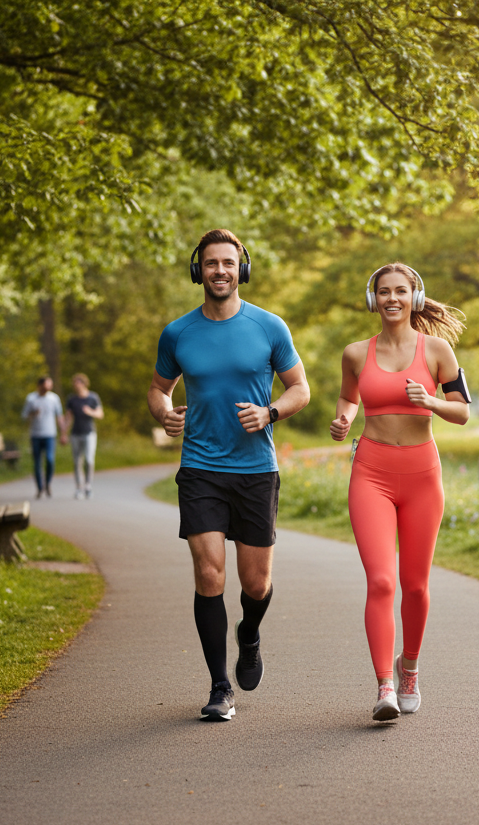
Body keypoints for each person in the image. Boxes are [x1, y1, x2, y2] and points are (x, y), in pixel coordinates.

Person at [147, 228, 310, 722]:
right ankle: (220, 687)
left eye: (228, 263)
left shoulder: (269, 327)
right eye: (211, 263)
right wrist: (164, 413)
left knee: (255, 584)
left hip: (256, 470)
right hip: (200, 468)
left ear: (242, 269)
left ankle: (249, 633)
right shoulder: (178, 333)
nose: (220, 270)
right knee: (209, 573)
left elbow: (300, 389)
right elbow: (158, 389)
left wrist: (270, 413)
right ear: (198, 270)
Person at [330, 263, 470, 721]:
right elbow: (349, 396)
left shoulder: (437, 350)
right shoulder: (355, 353)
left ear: (415, 297)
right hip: (371, 473)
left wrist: (430, 401)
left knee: (415, 585)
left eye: (400, 291)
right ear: (373, 299)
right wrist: (344, 418)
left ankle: (408, 667)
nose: (392, 299)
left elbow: (463, 412)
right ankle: (384, 687)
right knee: (381, 581)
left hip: (422, 477)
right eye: (384, 292)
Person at [21, 376, 66, 498]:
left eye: (50, 385)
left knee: (50, 459)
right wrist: (33, 413)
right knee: (37, 462)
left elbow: (59, 416)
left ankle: (48, 483)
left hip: (50, 434)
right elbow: (24, 415)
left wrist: (63, 433)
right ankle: (40, 488)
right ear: (40, 385)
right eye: (46, 385)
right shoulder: (31, 398)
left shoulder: (54, 398)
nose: (48, 388)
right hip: (35, 435)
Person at [63, 373, 104, 499]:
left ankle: (88, 486)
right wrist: (64, 433)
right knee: (77, 462)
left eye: (77, 383)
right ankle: (78, 488)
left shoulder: (93, 397)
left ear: (83, 383)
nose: (75, 385)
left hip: (89, 433)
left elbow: (100, 414)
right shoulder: (72, 399)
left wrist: (90, 412)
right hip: (75, 433)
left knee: (89, 460)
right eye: (74, 383)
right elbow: (68, 417)